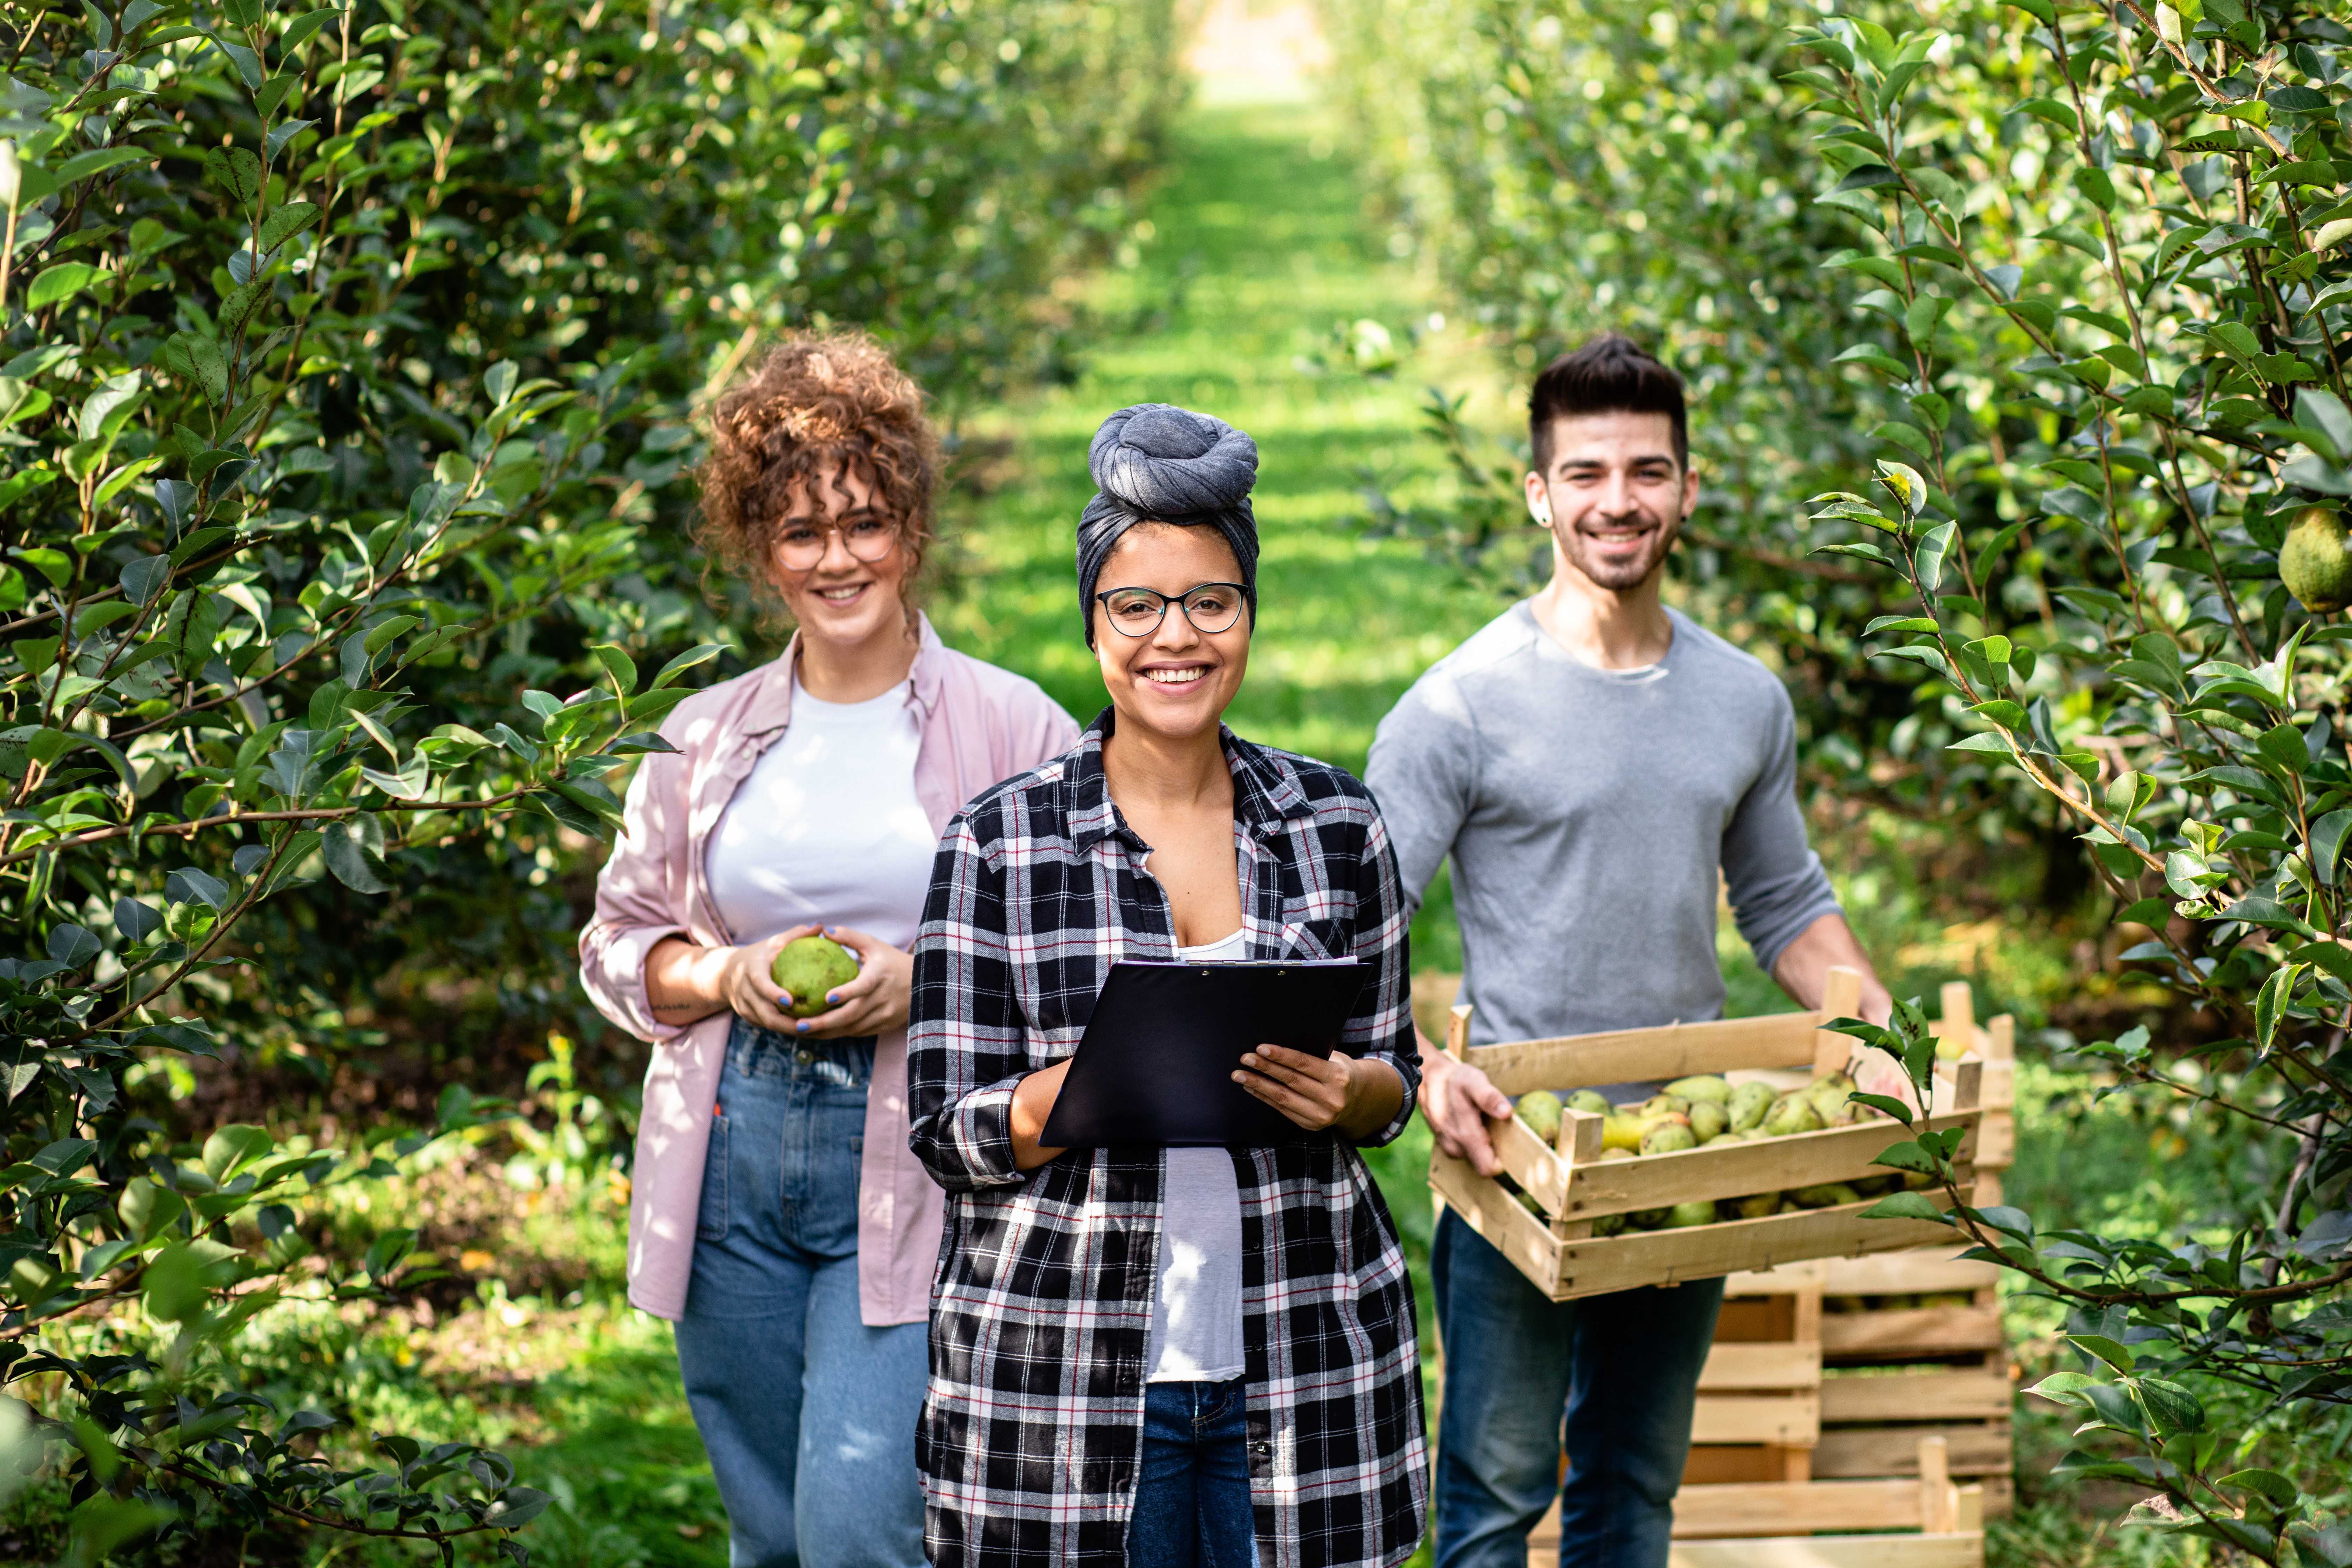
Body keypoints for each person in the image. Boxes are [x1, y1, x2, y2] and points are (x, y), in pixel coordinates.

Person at [1362, 334, 1894, 1568]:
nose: (1619, 502)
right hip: (1517, 1152)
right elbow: (1361, 924)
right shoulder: (1460, 705)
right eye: (1587, 472)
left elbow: (1783, 899)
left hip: (1684, 1153)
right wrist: (1421, 1069)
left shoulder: (1743, 699)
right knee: (1495, 1496)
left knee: (1634, 1485)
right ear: (1538, 491)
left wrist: (1879, 1037)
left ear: (1689, 489)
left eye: (1647, 471)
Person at [579, 333, 1078, 1568]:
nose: (837, 556)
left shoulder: (1015, 724)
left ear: (911, 530)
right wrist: (722, 975)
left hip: (908, 1155)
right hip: (730, 1146)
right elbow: (619, 941)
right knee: (771, 1534)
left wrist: (930, 985)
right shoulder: (700, 736)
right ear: (762, 551)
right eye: (801, 531)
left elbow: (1089, 953)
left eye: (865, 521)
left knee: (860, 1532)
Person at [906, 404, 1430, 1568]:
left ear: (1247, 614)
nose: (1173, 637)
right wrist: (1076, 1093)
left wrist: (1354, 1098)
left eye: (1210, 601)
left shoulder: (1336, 824)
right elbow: (944, 1132)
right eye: (1134, 606)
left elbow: (1399, 1076)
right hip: (1068, 1382)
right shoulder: (1001, 844)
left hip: (1304, 1370)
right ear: (1094, 625)